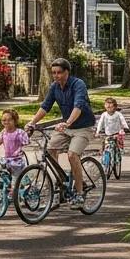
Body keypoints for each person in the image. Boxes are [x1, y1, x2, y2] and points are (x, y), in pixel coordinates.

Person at [25, 57, 96, 208]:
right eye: (53, 73)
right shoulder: (54, 87)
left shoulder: (78, 85)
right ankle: (61, 182)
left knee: (72, 155)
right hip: (66, 127)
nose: (56, 76)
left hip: (83, 127)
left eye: (59, 73)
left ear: (67, 72)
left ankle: (79, 193)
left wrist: (67, 123)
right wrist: (32, 123)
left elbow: (78, 106)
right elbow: (45, 107)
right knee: (50, 150)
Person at [0, 108, 29, 195]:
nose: (6, 122)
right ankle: (3, 192)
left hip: (17, 161)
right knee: (0, 175)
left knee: (16, 181)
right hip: (7, 160)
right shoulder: (4, 133)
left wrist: (21, 149)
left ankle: (22, 188)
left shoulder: (19, 133)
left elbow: (27, 144)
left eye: (9, 120)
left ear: (15, 121)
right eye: (4, 120)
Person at [96, 96, 130, 162]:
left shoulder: (118, 114)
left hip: (117, 133)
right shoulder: (104, 114)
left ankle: (119, 152)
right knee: (105, 144)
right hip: (107, 133)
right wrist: (98, 131)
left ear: (115, 107)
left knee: (118, 142)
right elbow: (100, 123)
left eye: (110, 106)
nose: (109, 108)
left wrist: (126, 127)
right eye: (107, 106)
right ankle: (104, 159)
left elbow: (123, 121)